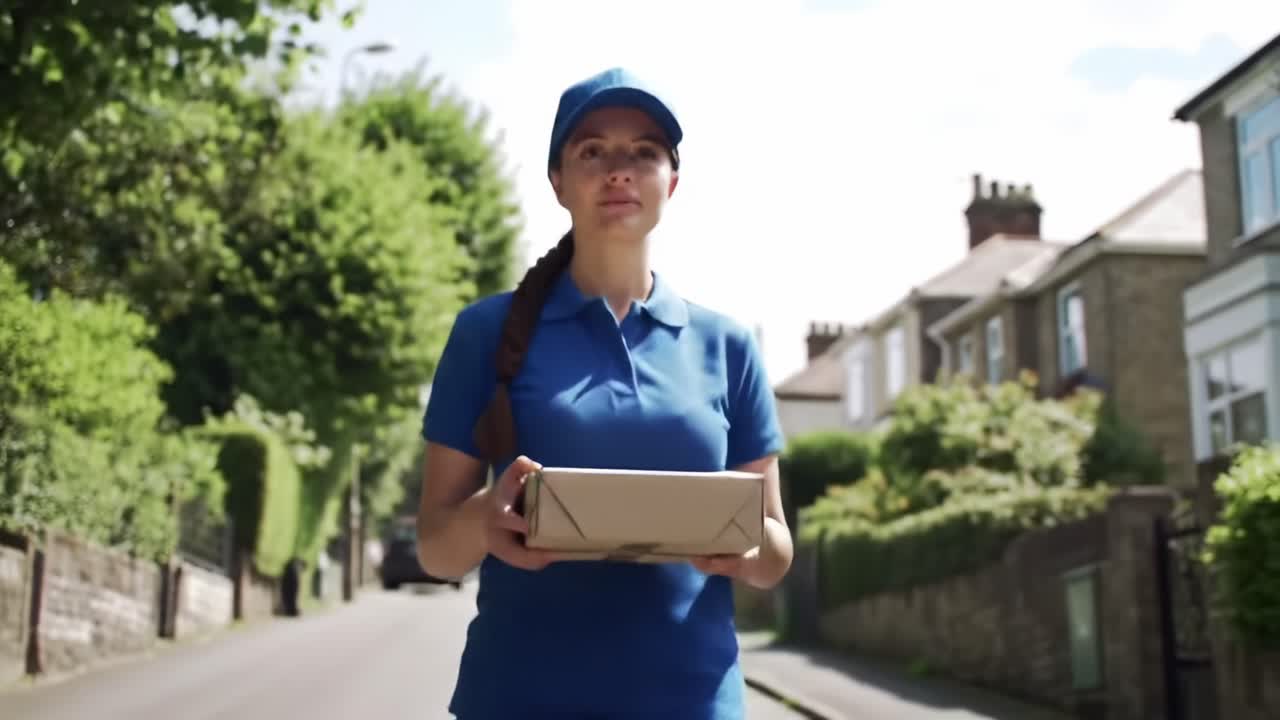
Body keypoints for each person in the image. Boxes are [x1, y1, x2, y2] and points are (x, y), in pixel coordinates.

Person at [416, 67, 792, 720]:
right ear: (558, 180)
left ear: (671, 182)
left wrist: (743, 545)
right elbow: (434, 547)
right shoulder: (484, 333)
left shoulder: (728, 345)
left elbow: (777, 550)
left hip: (694, 704)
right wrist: (487, 518)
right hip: (519, 701)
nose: (618, 170)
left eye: (643, 152)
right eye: (592, 151)